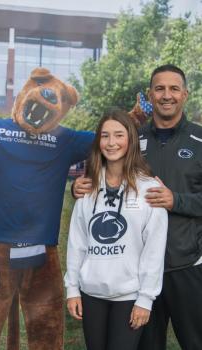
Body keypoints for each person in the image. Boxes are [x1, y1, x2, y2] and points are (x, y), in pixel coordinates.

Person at [73, 64, 202, 350]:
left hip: (186, 265)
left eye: (173, 88)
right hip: (135, 275)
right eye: (159, 88)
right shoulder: (131, 139)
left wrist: (176, 200)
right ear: (150, 94)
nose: (166, 95)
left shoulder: (200, 140)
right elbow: (103, 170)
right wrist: (79, 187)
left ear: (185, 94)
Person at [65, 109, 168, 350]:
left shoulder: (149, 188)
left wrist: (145, 298)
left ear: (131, 140)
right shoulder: (87, 188)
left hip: (129, 296)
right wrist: (72, 289)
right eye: (105, 136)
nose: (111, 143)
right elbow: (77, 243)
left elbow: (154, 249)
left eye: (119, 135)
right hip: (91, 293)